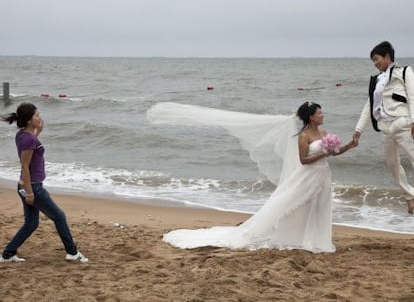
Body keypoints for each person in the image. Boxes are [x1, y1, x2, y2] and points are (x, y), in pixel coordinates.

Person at [147, 101, 356, 253]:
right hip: (308, 175)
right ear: (311, 117)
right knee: (295, 205)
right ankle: (296, 237)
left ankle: (316, 239)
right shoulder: (304, 136)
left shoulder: (324, 133)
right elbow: (304, 160)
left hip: (323, 175)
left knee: (319, 207)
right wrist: (323, 153)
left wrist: (348, 145)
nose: (322, 115)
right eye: (320, 113)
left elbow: (334, 152)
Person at [0, 103, 88, 263]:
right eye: (36, 115)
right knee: (59, 217)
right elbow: (25, 166)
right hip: (32, 186)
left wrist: (38, 132)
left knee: (31, 223)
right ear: (28, 120)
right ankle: (72, 252)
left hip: (24, 185)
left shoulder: (22, 135)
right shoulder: (29, 139)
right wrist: (30, 193)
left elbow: (30, 144)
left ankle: (7, 254)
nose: (39, 117)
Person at [353, 41, 414, 215]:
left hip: (403, 124)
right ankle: (410, 196)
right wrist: (358, 130)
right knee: (392, 164)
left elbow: (413, 95)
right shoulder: (376, 80)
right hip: (385, 128)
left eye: (376, 59)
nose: (375, 63)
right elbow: (369, 106)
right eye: (373, 60)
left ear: (387, 56)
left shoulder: (404, 71)